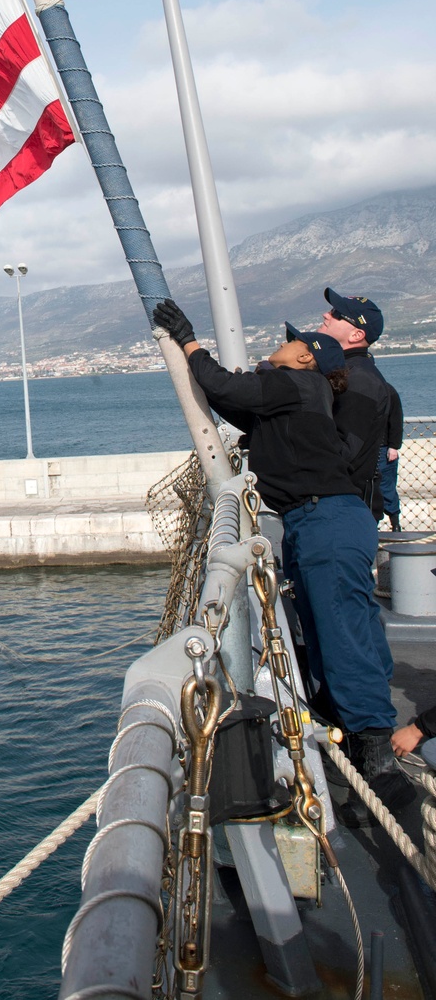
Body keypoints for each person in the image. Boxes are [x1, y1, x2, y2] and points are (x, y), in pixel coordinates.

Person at [154, 297, 413, 814]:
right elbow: (237, 400)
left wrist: (188, 341)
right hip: (323, 521)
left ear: (305, 358)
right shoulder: (305, 389)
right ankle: (354, 734)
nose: (286, 340)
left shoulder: (296, 382)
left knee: (342, 636)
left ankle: (378, 758)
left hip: (326, 522)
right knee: (337, 628)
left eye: (293, 340)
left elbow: (226, 387)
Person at [317, 288, 404, 524]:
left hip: (340, 512)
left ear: (356, 335)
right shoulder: (345, 371)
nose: (327, 315)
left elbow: (346, 451)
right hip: (332, 506)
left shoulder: (359, 380)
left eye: (337, 314)